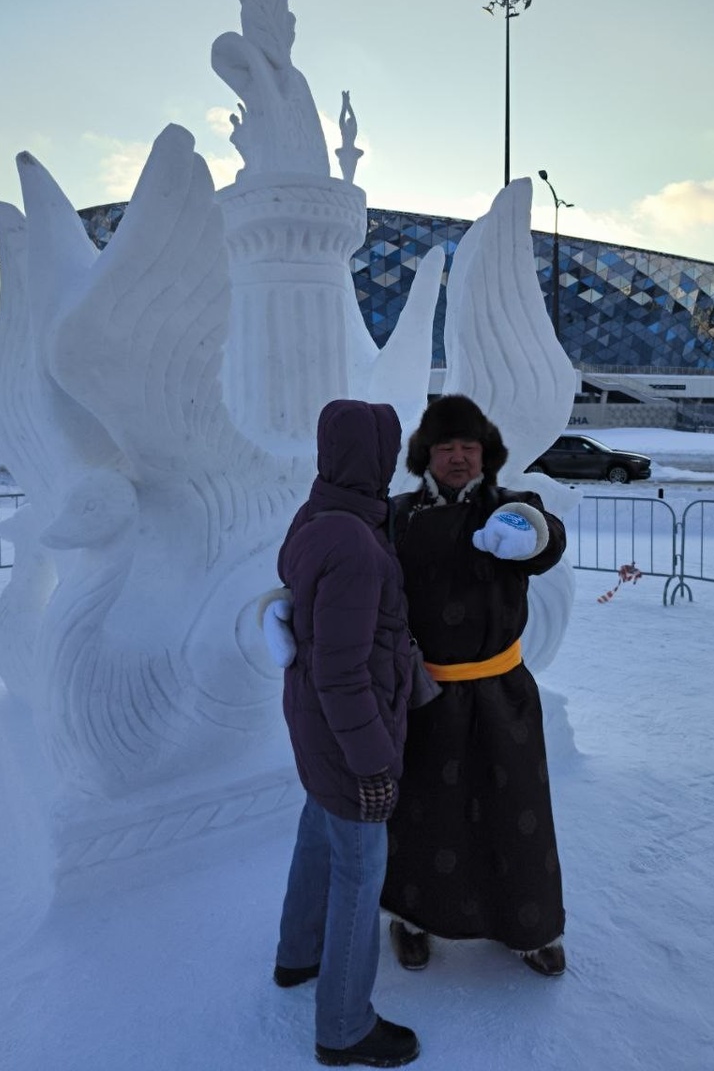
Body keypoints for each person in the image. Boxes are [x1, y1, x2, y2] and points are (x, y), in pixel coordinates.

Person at [380, 394, 568, 978]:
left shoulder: (512, 508)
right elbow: (352, 571)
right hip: (425, 694)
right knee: (424, 814)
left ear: (486, 455)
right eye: (445, 447)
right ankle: (412, 920)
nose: (458, 458)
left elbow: (549, 539)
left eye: (469, 446)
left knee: (516, 813)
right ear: (425, 455)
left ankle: (530, 928)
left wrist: (532, 535)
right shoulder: (396, 515)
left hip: (500, 694)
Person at [272, 399, 421, 1069]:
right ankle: (344, 1025)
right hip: (346, 736)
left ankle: (298, 955)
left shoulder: (318, 518)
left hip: (311, 726)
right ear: (379, 458)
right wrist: (374, 761)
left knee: (316, 835)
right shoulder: (357, 544)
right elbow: (341, 671)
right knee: (361, 870)